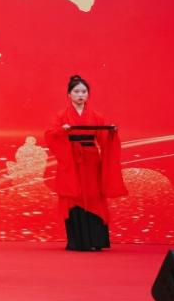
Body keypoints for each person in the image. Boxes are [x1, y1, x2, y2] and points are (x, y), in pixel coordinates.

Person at [44, 74, 126, 251]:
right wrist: (62, 131)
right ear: (69, 94)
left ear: (88, 94)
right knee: (74, 195)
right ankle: (78, 241)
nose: (80, 95)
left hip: (91, 160)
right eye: (76, 91)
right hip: (71, 160)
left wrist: (112, 133)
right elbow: (50, 135)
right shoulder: (61, 115)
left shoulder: (96, 116)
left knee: (94, 195)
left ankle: (96, 240)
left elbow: (104, 139)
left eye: (84, 92)